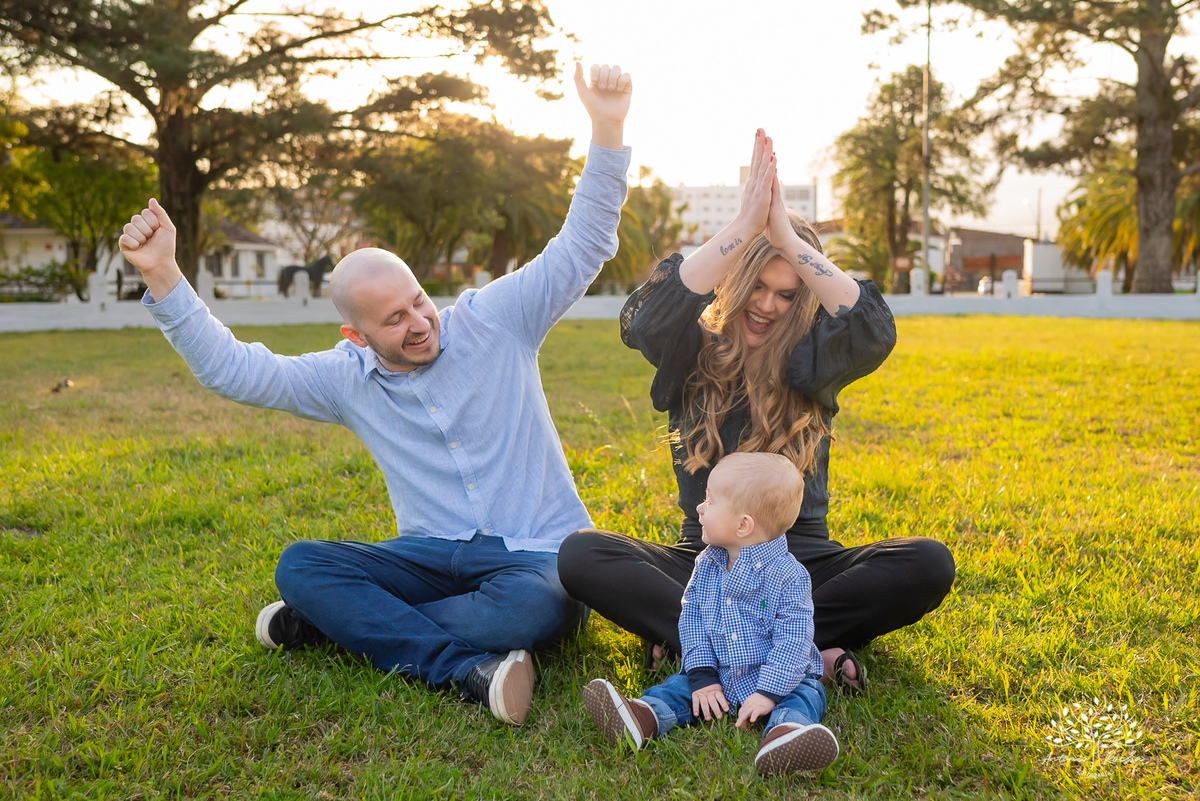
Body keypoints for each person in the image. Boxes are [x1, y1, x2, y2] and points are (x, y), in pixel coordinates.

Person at [117, 63, 634, 727]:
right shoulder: (343, 377)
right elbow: (235, 370)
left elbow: (583, 245)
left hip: (532, 557)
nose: (419, 323)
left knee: (531, 612)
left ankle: (340, 629)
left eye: (418, 301)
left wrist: (608, 125)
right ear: (355, 335)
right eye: (393, 320)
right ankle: (466, 670)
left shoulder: (496, 320)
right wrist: (164, 276)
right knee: (301, 566)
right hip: (427, 557)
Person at [558, 130, 955, 692]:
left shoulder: (815, 357)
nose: (768, 305)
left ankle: (701, 642)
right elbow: (644, 318)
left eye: (788, 293)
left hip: (800, 564)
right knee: (581, 555)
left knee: (928, 564)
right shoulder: (688, 348)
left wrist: (787, 237)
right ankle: (795, 649)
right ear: (737, 282)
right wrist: (745, 228)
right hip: (703, 563)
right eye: (758, 286)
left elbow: (873, 328)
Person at [583, 452, 838, 776]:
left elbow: (794, 641)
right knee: (679, 688)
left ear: (743, 524)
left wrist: (768, 692)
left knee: (804, 695)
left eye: (710, 502)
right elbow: (692, 620)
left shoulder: (789, 577)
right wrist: (703, 675)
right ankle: (643, 716)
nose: (700, 508)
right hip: (719, 674)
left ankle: (785, 735)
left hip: (781, 679)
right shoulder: (707, 564)